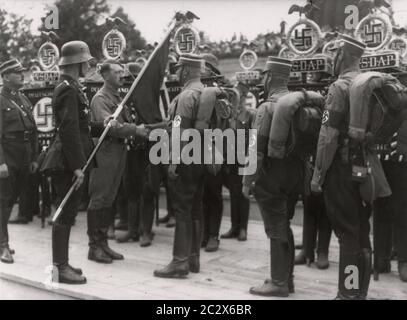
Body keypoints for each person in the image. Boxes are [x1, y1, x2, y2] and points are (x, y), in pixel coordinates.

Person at [310, 35, 380, 299]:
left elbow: (328, 137)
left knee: (347, 235)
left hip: (340, 169)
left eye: (335, 54)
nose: (333, 58)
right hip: (365, 166)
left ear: (342, 55)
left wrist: (318, 174)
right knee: (362, 231)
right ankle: (359, 292)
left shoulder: (340, 87)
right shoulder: (370, 84)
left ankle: (348, 294)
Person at [42, 41, 95, 284]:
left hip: (70, 158)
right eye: (86, 61)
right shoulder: (67, 89)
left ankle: (61, 263)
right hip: (66, 161)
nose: (88, 65)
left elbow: (80, 126)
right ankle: (59, 267)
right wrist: (76, 165)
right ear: (78, 63)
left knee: (69, 211)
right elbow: (69, 129)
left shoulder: (72, 87)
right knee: (64, 211)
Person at [87, 59, 148, 264]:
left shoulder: (118, 96)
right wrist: (134, 130)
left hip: (118, 151)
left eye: (122, 72)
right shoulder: (100, 99)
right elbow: (110, 126)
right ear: (104, 76)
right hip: (105, 153)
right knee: (99, 198)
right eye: (116, 72)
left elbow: (124, 121)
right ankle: (94, 246)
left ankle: (103, 243)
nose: (121, 75)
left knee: (109, 198)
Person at [243, 56, 295, 297]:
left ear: (271, 77)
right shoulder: (295, 102)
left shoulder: (267, 107)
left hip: (270, 176)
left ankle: (278, 282)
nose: (262, 79)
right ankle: (287, 277)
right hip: (292, 176)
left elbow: (256, 148)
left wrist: (247, 181)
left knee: (275, 228)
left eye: (264, 75)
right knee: (285, 225)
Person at [154, 53, 205, 279]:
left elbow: (180, 131)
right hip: (202, 159)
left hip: (185, 158)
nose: (176, 72)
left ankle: (179, 261)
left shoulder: (185, 96)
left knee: (182, 210)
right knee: (195, 208)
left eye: (178, 69)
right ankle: (193, 258)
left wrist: (174, 161)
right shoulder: (204, 91)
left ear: (185, 71)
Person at [0, 58, 38, 263]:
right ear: (5, 77)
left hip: (23, 154)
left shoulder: (23, 99)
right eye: (17, 72)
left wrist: (33, 158)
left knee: (11, 199)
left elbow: (33, 131)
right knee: (3, 201)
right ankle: (2, 245)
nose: (22, 75)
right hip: (8, 154)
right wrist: (0, 162)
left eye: (21, 72)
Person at [220, 82, 255, 242]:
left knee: (243, 193)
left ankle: (243, 229)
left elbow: (253, 139)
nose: (235, 101)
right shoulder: (228, 115)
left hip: (244, 159)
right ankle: (234, 227)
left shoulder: (249, 115)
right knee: (234, 193)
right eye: (232, 98)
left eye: (238, 97)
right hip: (230, 159)